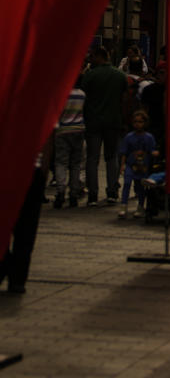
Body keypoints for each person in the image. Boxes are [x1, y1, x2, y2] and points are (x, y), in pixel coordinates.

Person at [0, 135, 51, 293]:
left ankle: (8, 268)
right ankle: (17, 277)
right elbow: (49, 138)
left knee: (14, 224)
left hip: (13, 167)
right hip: (30, 169)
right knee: (26, 228)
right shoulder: (40, 110)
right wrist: (44, 170)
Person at [81, 47, 129, 206]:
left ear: (100, 57)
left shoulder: (90, 75)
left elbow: (84, 98)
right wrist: (124, 120)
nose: (90, 59)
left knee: (92, 158)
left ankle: (93, 195)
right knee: (111, 157)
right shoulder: (120, 75)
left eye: (92, 56)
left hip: (93, 121)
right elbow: (124, 100)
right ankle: (112, 192)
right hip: (113, 121)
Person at [117, 110, 159, 218]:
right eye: (135, 121)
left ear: (145, 123)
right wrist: (122, 165)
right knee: (126, 183)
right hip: (131, 165)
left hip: (143, 167)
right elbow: (124, 152)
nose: (137, 124)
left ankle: (140, 206)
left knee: (140, 187)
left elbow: (152, 151)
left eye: (140, 122)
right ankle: (123, 205)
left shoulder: (149, 137)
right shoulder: (129, 137)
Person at [53, 75, 86, 208]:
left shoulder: (62, 93)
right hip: (78, 129)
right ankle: (73, 193)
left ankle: (60, 191)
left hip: (63, 130)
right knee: (75, 163)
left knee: (61, 162)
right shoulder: (82, 95)